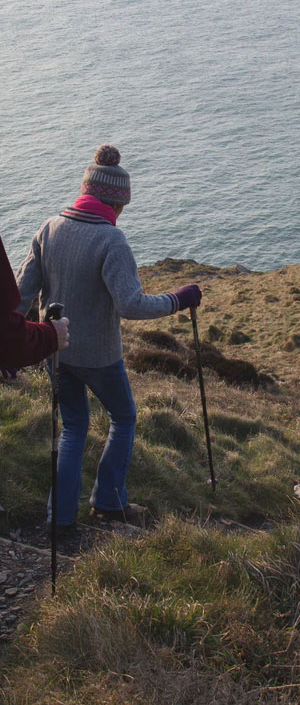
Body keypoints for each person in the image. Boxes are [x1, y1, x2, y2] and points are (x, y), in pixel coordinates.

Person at [15, 144, 202, 531]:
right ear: (114, 203)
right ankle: (109, 501)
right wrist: (178, 299)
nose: (121, 214)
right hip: (100, 356)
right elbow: (130, 304)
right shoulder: (111, 240)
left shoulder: (48, 228)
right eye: (122, 207)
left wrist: (10, 347)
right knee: (124, 417)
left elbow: (21, 296)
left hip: (56, 351)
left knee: (73, 427)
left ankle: (60, 518)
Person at [1, 235, 70, 374]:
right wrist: (49, 335)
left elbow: (25, 285)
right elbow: (5, 331)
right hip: (100, 357)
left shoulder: (47, 230)